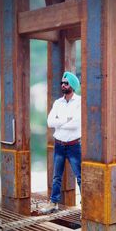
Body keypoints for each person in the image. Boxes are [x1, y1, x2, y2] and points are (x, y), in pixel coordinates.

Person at [41, 71, 81, 214]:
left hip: (74, 145)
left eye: (66, 83)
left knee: (80, 176)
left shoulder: (80, 102)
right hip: (59, 145)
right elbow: (50, 122)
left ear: (73, 86)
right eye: (62, 83)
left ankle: (87, 206)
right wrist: (66, 120)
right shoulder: (58, 102)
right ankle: (53, 203)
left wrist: (59, 122)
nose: (63, 85)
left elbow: (76, 124)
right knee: (56, 176)